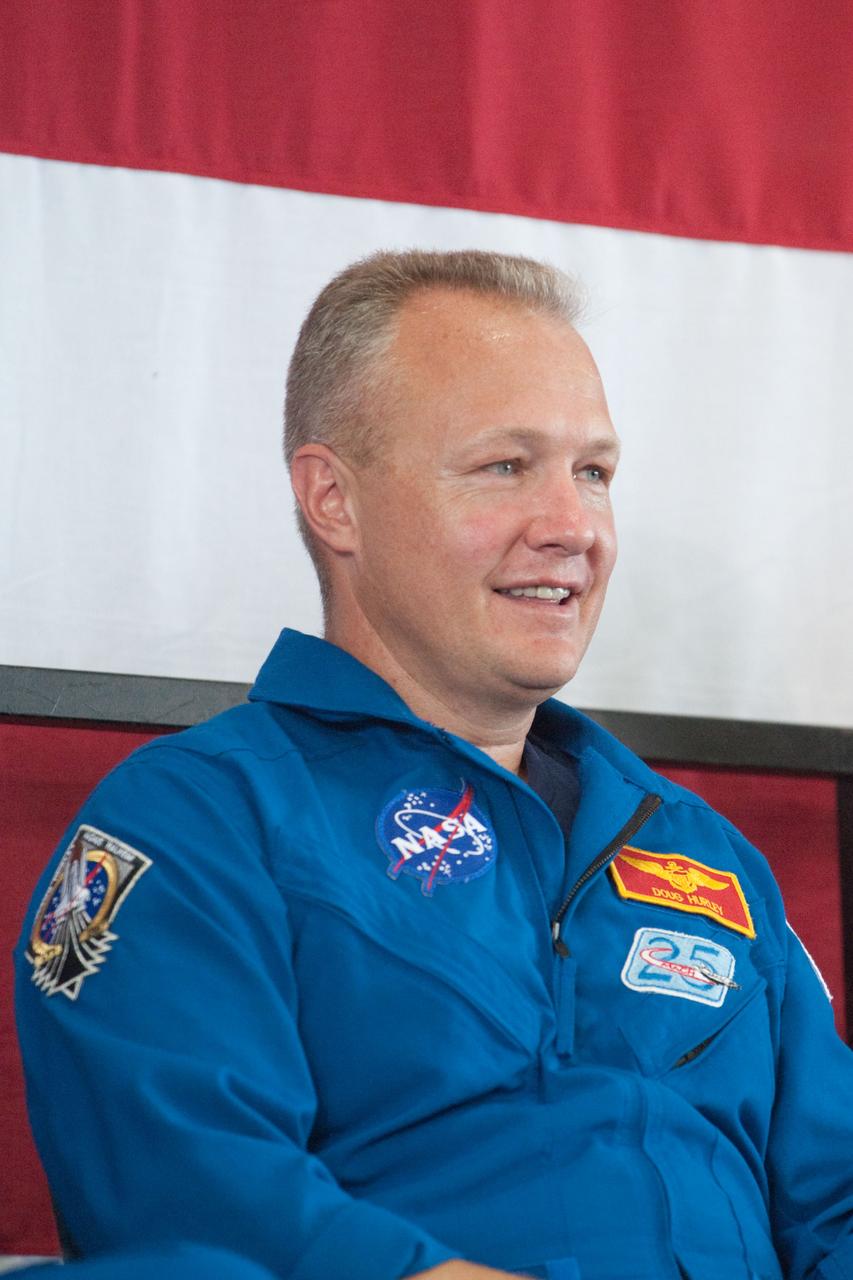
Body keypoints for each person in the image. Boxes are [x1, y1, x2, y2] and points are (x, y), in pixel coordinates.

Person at [15, 250, 853, 1280]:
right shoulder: (194, 820)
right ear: (335, 501)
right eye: (505, 466)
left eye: (593, 471)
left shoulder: (706, 855)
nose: (572, 527)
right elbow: (190, 1201)